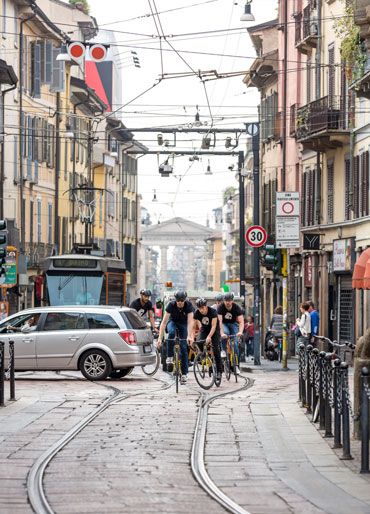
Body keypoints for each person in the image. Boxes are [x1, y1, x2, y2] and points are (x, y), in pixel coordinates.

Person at [158, 290, 194, 384]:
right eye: (178, 301)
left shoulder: (189, 306)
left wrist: (189, 336)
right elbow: (164, 322)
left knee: (183, 348)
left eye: (182, 301)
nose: (180, 303)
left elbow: (190, 322)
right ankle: (169, 356)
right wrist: (159, 338)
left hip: (183, 324)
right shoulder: (171, 305)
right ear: (176, 300)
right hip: (172, 322)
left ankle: (184, 374)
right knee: (171, 333)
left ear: (184, 300)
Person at [190, 298, 222, 381]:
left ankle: (219, 371)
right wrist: (192, 337)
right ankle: (208, 360)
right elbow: (193, 326)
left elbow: (214, 326)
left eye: (203, 308)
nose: (201, 310)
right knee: (199, 343)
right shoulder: (196, 313)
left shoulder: (213, 312)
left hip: (214, 330)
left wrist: (209, 336)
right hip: (204, 329)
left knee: (215, 349)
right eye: (199, 308)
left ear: (206, 306)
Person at [217, 292, 244, 372]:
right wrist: (222, 333)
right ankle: (223, 351)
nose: (227, 302)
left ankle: (235, 365)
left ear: (232, 301)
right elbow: (220, 322)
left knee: (235, 343)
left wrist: (240, 332)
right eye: (226, 300)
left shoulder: (236, 307)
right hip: (224, 324)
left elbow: (241, 321)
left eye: (229, 300)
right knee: (225, 333)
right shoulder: (220, 307)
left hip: (233, 324)